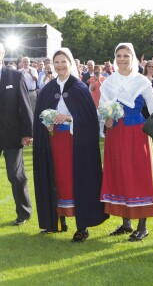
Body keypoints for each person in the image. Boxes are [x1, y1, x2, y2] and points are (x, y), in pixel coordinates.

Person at [33, 48, 108, 242]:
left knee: (76, 180)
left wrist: (68, 118)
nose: (59, 65)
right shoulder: (48, 89)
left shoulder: (79, 88)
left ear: (70, 63)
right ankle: (58, 220)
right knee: (56, 178)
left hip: (75, 143)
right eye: (56, 62)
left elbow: (89, 118)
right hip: (53, 142)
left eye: (63, 62)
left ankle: (82, 227)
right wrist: (46, 123)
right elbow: (39, 116)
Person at [100, 43, 153, 242]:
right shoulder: (109, 82)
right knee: (120, 174)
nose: (122, 59)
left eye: (126, 55)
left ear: (132, 58)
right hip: (115, 134)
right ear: (115, 58)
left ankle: (142, 226)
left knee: (138, 175)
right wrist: (106, 120)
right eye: (119, 55)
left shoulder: (141, 80)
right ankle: (126, 223)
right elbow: (102, 108)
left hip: (136, 134)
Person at [0, 42, 33, 226]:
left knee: (15, 175)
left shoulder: (15, 75)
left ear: (2, 54)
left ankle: (24, 212)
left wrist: (28, 132)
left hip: (12, 134)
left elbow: (25, 105)